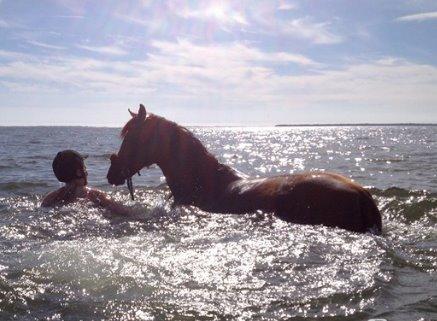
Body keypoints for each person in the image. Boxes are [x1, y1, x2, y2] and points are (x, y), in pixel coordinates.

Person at [41, 150, 133, 216]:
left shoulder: (49, 199)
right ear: (79, 172)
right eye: (84, 168)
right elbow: (124, 212)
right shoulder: (96, 195)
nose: (87, 172)